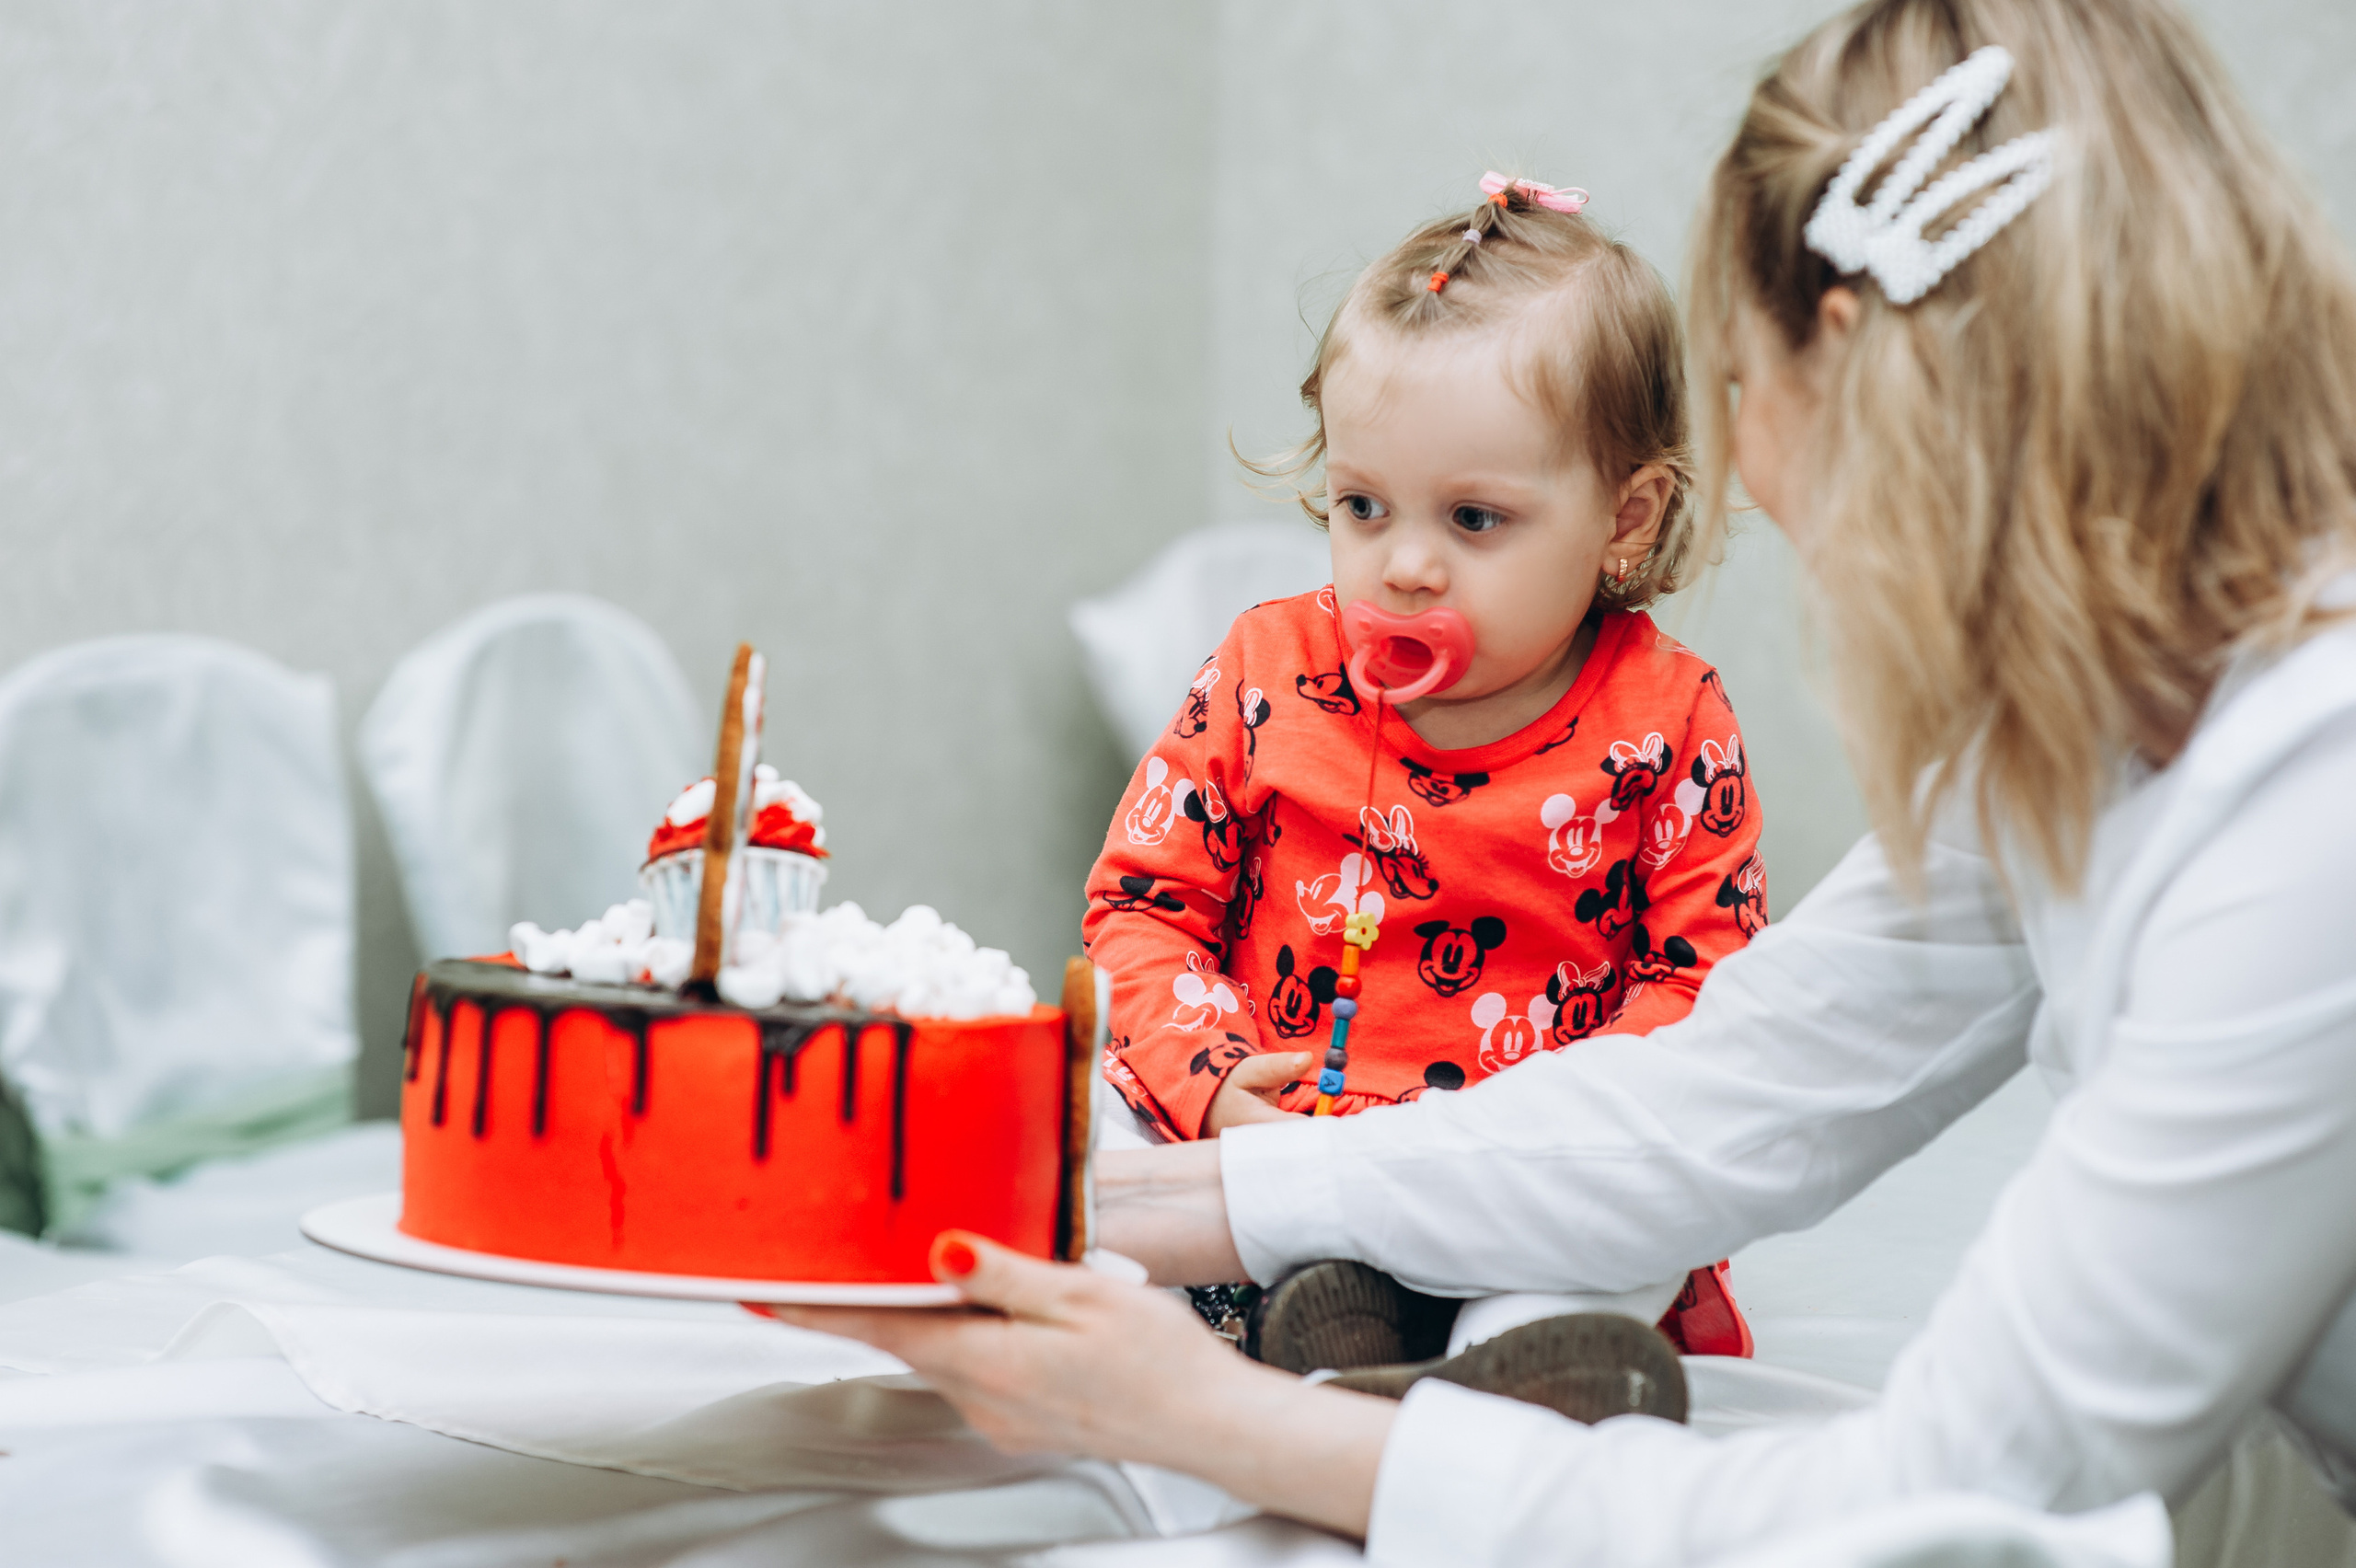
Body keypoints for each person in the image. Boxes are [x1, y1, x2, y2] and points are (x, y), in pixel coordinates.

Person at [765, 0, 2356, 1561]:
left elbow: (1948, 1500)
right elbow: (1720, 1099)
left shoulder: (2310, 819)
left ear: (1856, 371)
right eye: (1363, 503)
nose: (1752, 460)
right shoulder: (2092, 736)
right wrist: (1110, 1200)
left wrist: (1208, 1417)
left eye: (1740, 389)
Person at [1082, 175, 1764, 1359]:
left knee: (1646, 1203)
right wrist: (1211, 1079)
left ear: (1625, 518)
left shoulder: (1670, 720)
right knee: (1088, 1116)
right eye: (1362, 505)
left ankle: (1523, 1348)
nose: (1402, 567)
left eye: (1473, 520)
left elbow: (1705, 987)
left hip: (1518, 1176)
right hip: (1275, 1142)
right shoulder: (1264, 671)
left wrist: (1553, 1128)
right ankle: (1278, 1320)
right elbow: (1139, 910)